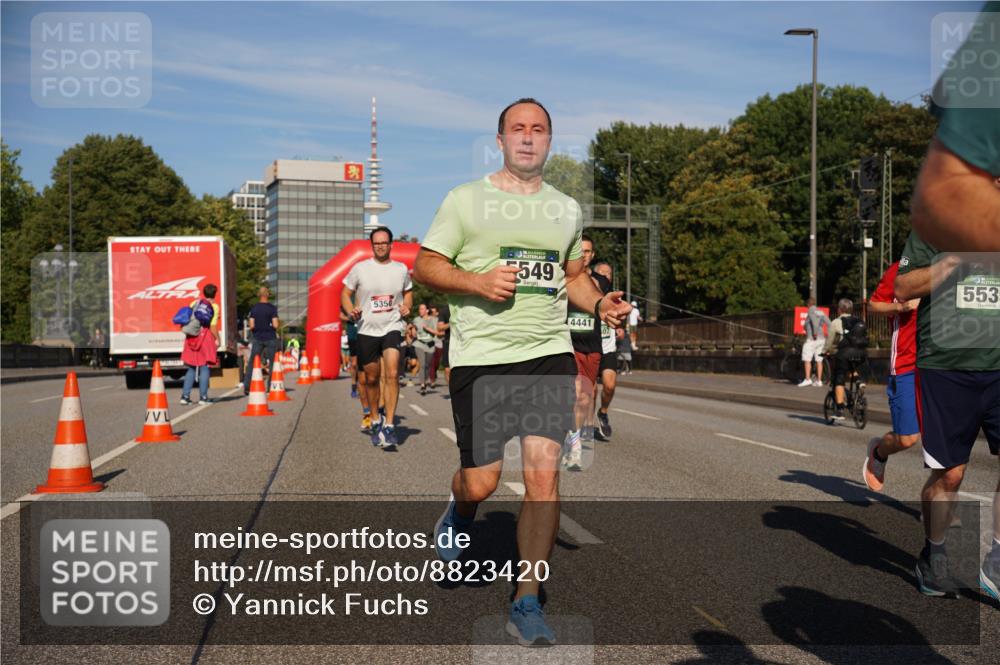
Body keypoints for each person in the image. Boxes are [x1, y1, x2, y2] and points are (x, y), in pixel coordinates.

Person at [414, 98, 631, 646]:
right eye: (518, 129)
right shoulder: (466, 200)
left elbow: (573, 278)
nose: (528, 138)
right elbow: (427, 264)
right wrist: (478, 282)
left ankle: (526, 600)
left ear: (550, 141)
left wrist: (599, 304)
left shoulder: (564, 208)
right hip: (482, 358)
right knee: (483, 480)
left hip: (547, 354)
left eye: (538, 130)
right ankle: (459, 513)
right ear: (500, 139)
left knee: (542, 475)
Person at [895, 6, 1000, 602]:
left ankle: (996, 561)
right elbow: (903, 290)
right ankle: (934, 555)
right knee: (950, 475)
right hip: (949, 362)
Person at [342, 226, 412, 449]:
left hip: (392, 326)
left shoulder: (401, 269)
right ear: (372, 245)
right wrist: (352, 309)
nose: (380, 246)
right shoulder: (360, 269)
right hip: (366, 329)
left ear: (391, 244)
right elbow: (345, 293)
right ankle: (375, 419)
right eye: (376, 243)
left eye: (384, 242)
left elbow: (408, 292)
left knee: (392, 373)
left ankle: (390, 425)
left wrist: (407, 307)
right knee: (371, 379)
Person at [864, 262, 920, 491]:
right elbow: (873, 305)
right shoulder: (900, 269)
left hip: (943, 366)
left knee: (945, 444)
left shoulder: (952, 267)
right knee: (907, 438)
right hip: (906, 363)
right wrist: (901, 307)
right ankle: (880, 452)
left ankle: (938, 508)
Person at [563, 234, 612, 470]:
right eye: (580, 251)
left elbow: (609, 309)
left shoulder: (602, 282)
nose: (584, 255)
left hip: (592, 345)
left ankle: (572, 435)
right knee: (577, 393)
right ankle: (574, 447)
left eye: (588, 252)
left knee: (585, 397)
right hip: (567, 343)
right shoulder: (563, 278)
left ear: (593, 255)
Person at [822, 298, 867, 421]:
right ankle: (859, 381)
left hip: (844, 353)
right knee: (851, 367)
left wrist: (824, 351)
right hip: (861, 354)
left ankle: (840, 410)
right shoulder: (859, 321)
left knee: (839, 379)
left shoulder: (837, 322)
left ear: (839, 309)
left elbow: (830, 340)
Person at [180, 283, 219, 405]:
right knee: (205, 366)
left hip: (191, 337)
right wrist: (217, 339)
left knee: (191, 367)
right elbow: (212, 326)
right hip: (205, 337)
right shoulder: (214, 307)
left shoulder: (194, 303)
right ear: (215, 294)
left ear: (204, 293)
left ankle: (185, 397)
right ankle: (203, 397)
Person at [592, 261, 617, 441]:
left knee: (609, 386)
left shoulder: (615, 297)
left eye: (608, 273)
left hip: (608, 348)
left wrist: (621, 328)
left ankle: (603, 412)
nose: (606, 276)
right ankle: (585, 423)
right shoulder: (584, 294)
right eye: (602, 273)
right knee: (590, 391)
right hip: (590, 347)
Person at [244, 287, 280, 395]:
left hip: (257, 338)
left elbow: (251, 325)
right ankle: (271, 387)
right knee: (273, 363)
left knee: (252, 363)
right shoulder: (272, 308)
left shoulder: (254, 308)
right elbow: (275, 324)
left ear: (258, 295)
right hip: (270, 337)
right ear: (267, 295)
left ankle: (247, 387)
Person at [799, 298, 830, 387]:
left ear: (808, 305)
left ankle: (808, 379)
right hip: (821, 339)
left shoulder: (811, 311)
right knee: (819, 360)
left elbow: (814, 322)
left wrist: (815, 333)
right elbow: (828, 323)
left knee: (807, 358)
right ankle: (819, 381)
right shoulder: (820, 311)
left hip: (812, 339)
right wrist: (827, 335)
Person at [411, 303, 438, 396]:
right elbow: (412, 328)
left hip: (430, 345)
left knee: (427, 365)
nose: (420, 311)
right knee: (422, 364)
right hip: (419, 344)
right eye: (419, 309)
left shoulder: (434, 320)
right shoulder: (416, 319)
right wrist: (413, 330)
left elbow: (438, 332)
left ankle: (425, 381)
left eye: (422, 309)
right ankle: (422, 384)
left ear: (427, 310)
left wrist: (428, 329)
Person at [437, 303, 452, 386]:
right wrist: (452, 323)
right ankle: (452, 393)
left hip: (464, 342)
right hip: (449, 342)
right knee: (447, 370)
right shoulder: (445, 310)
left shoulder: (465, 308)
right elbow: (439, 328)